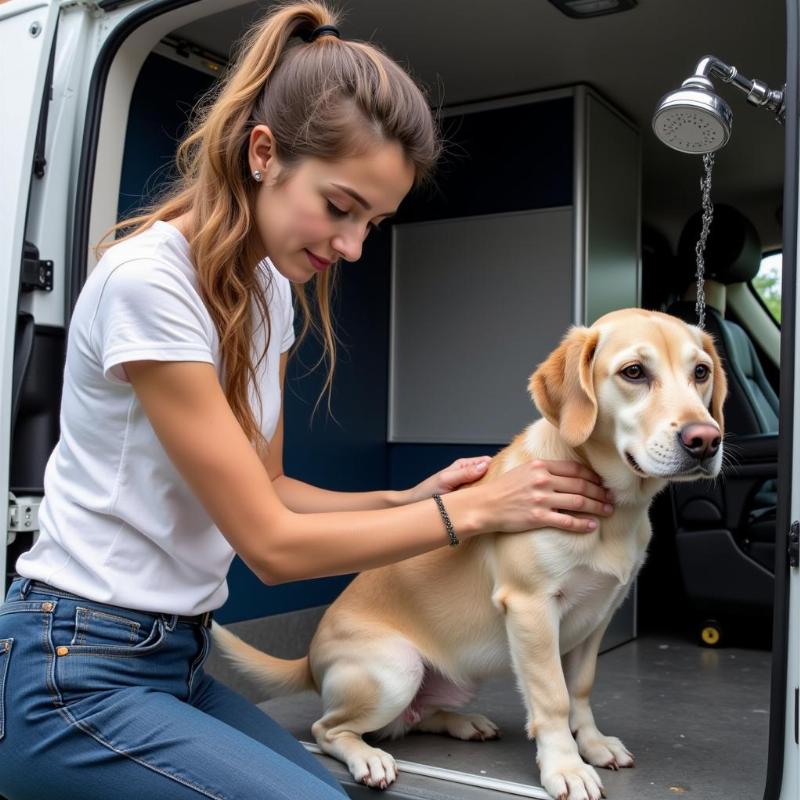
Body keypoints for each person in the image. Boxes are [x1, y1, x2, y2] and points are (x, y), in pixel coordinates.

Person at [0, 3, 615, 798]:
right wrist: (476, 513)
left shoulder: (268, 290)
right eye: (340, 206)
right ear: (264, 153)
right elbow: (271, 545)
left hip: (172, 659)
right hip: (74, 669)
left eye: (374, 222)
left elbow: (276, 489)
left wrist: (407, 494)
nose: (353, 245)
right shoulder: (148, 283)